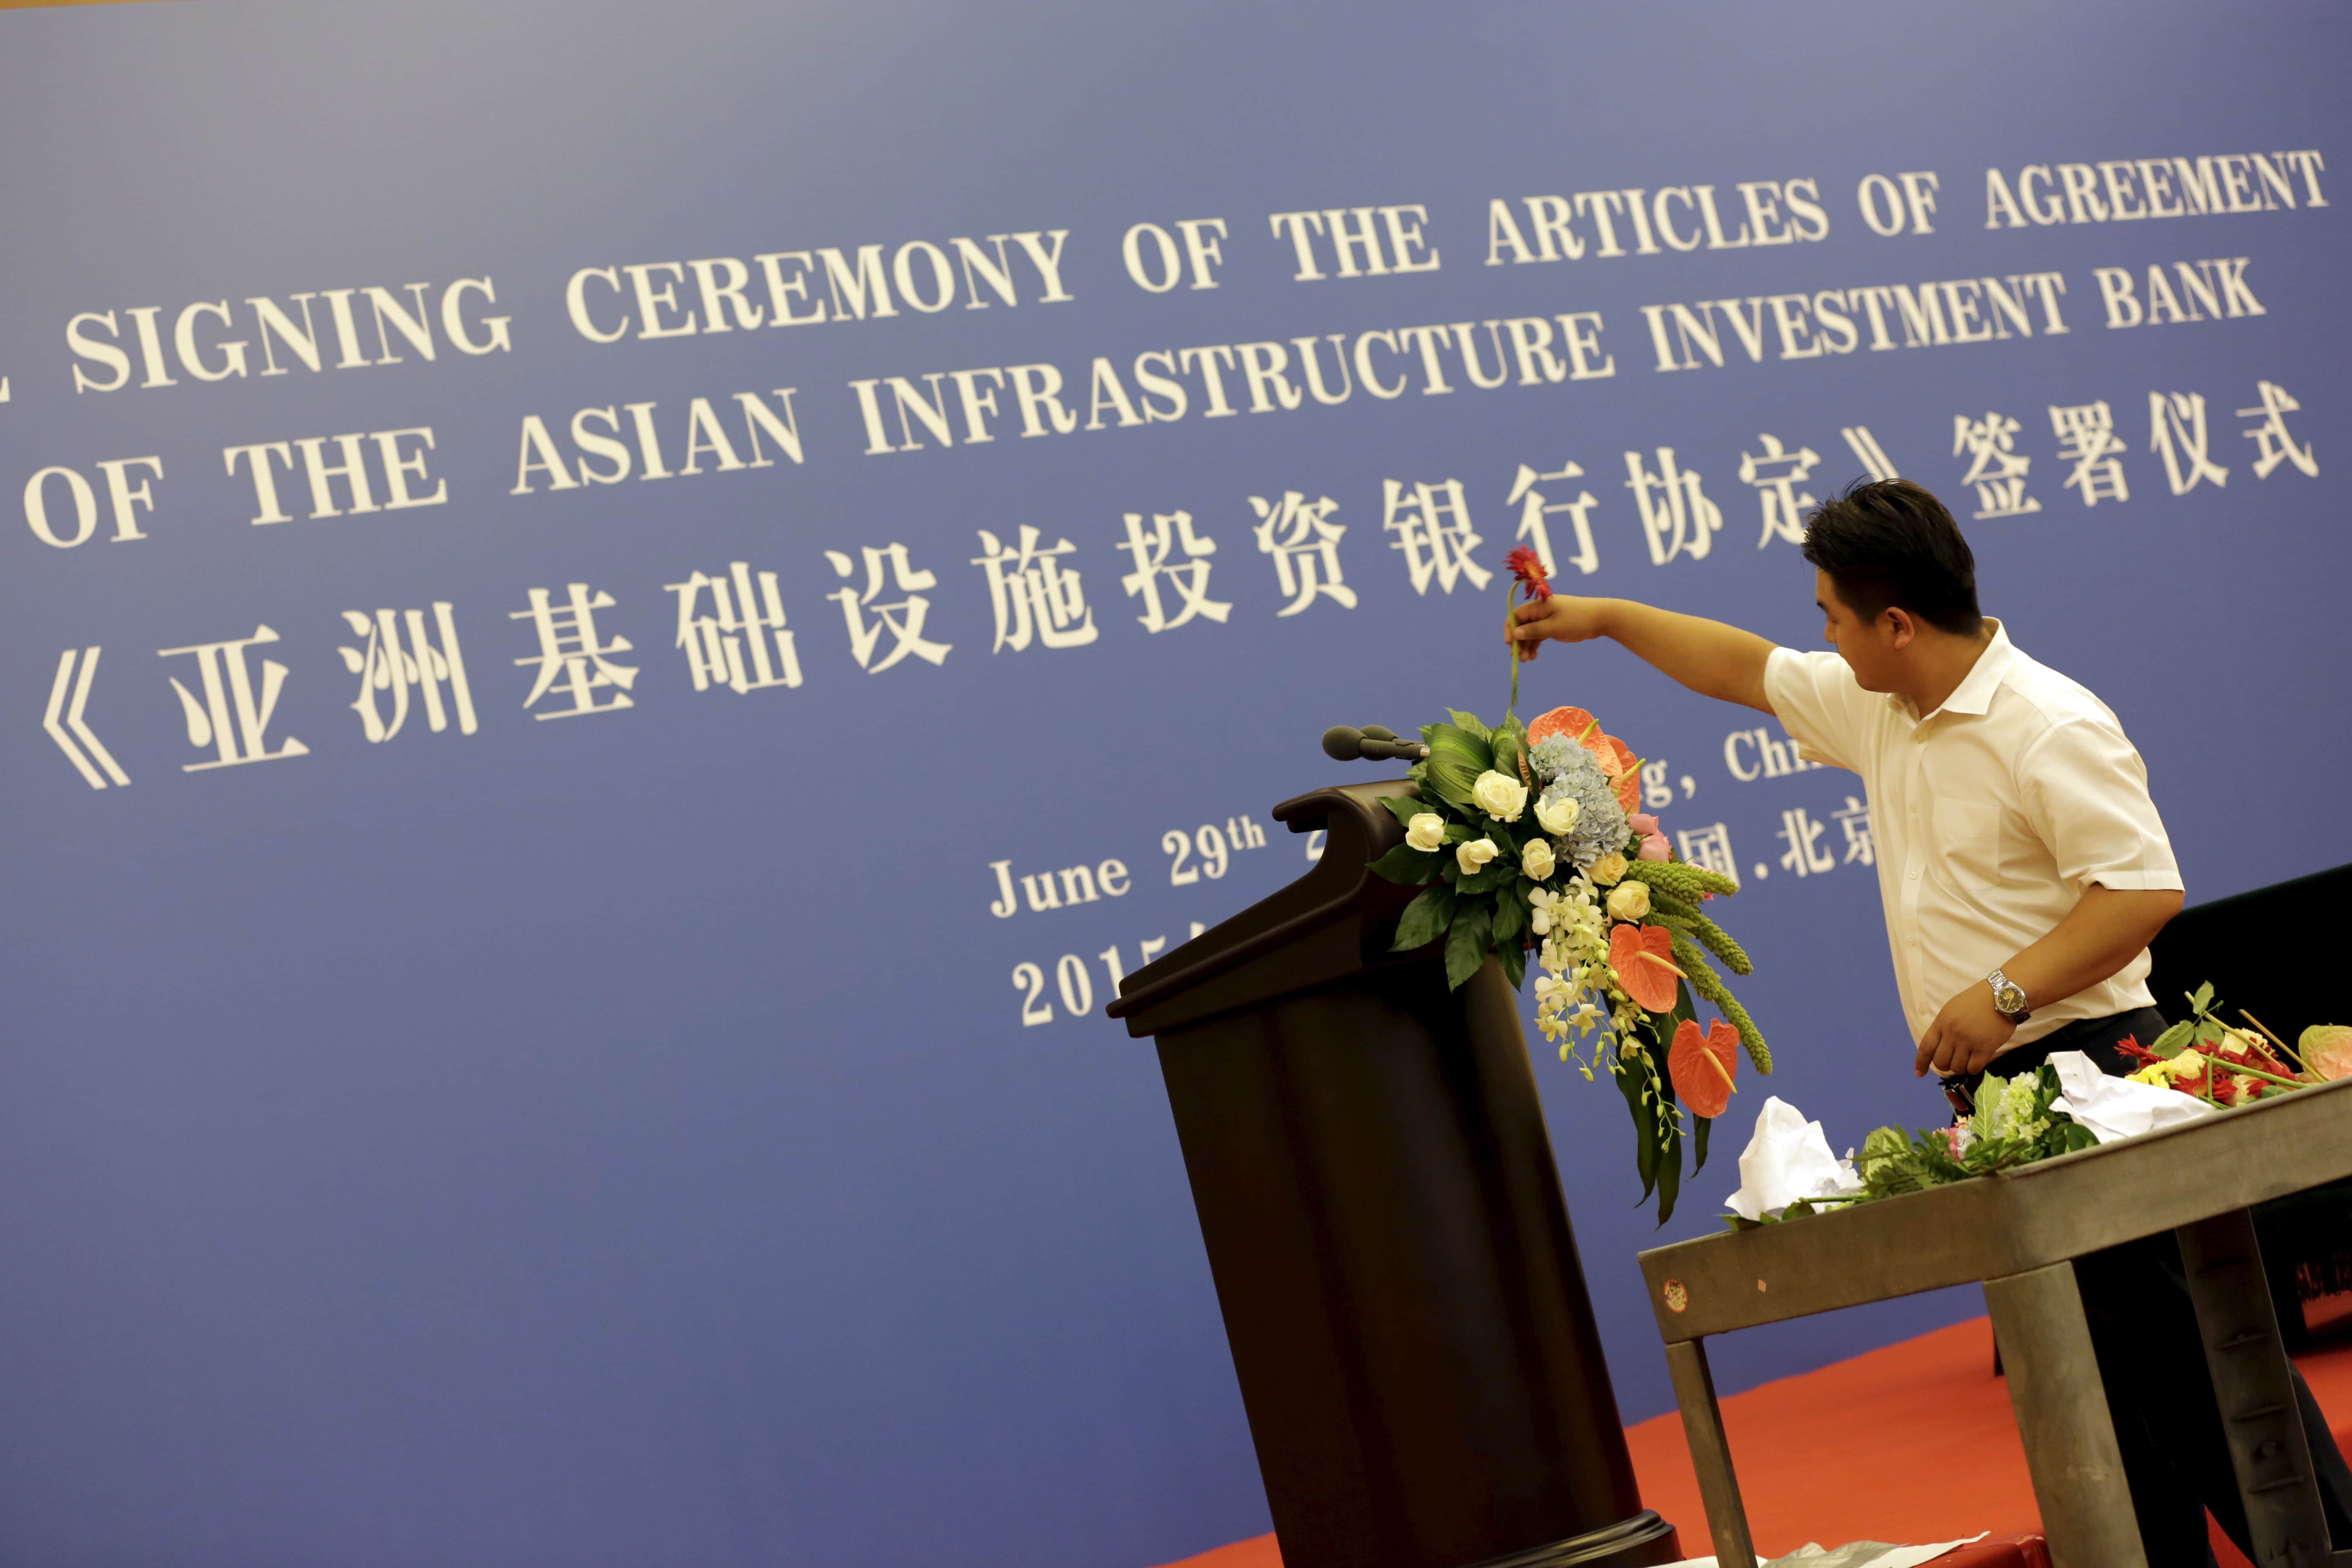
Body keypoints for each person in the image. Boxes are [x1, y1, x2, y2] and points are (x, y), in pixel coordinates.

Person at [1507, 477, 2349, 1568]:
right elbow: (1740, 668)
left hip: (2094, 1073)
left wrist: (2004, 995)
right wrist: (1602, 619)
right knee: (2101, 1406)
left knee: (2188, 1377)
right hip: (2002, 1092)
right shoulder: (1882, 703)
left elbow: (2141, 891)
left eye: (1831, 617)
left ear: (1895, 624)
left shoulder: (2047, 722)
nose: (1821, 638)